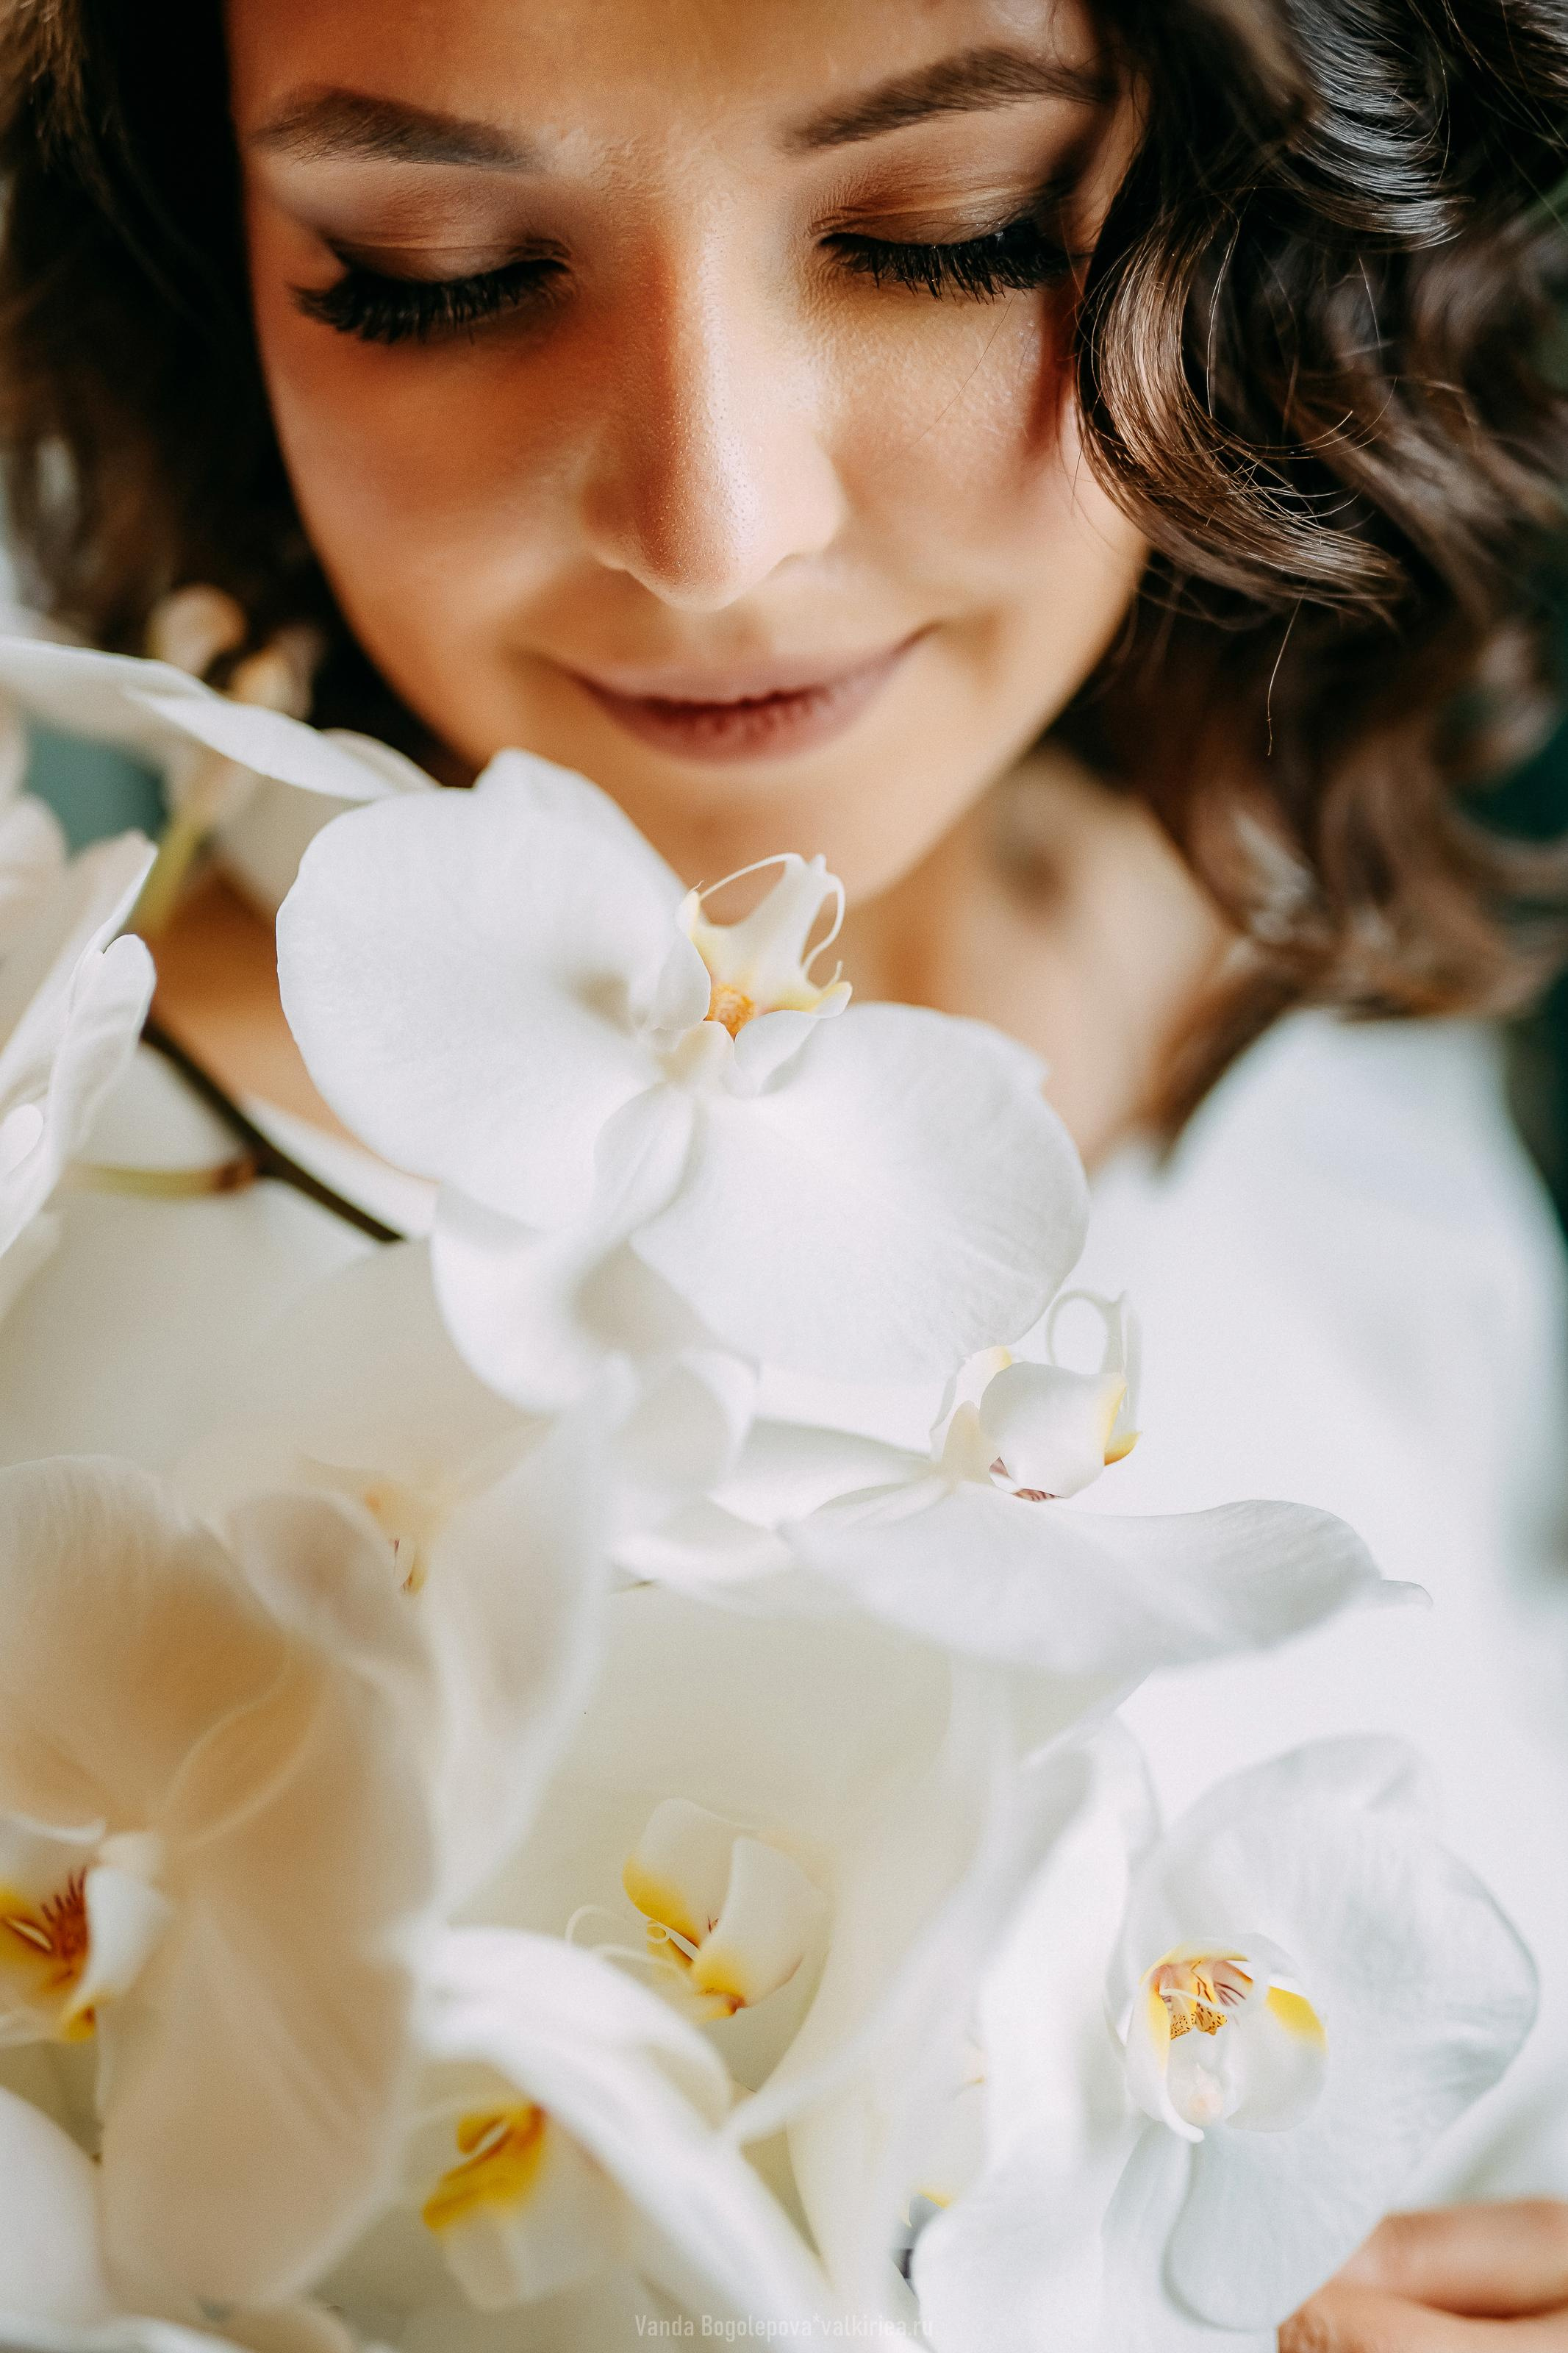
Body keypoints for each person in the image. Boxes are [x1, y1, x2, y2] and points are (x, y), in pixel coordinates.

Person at [1, 0, 1567, 2340]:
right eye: (435, 267)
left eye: (950, 236)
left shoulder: (1290, 962)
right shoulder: (71, 1265)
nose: (719, 529)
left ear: (1250, 194)